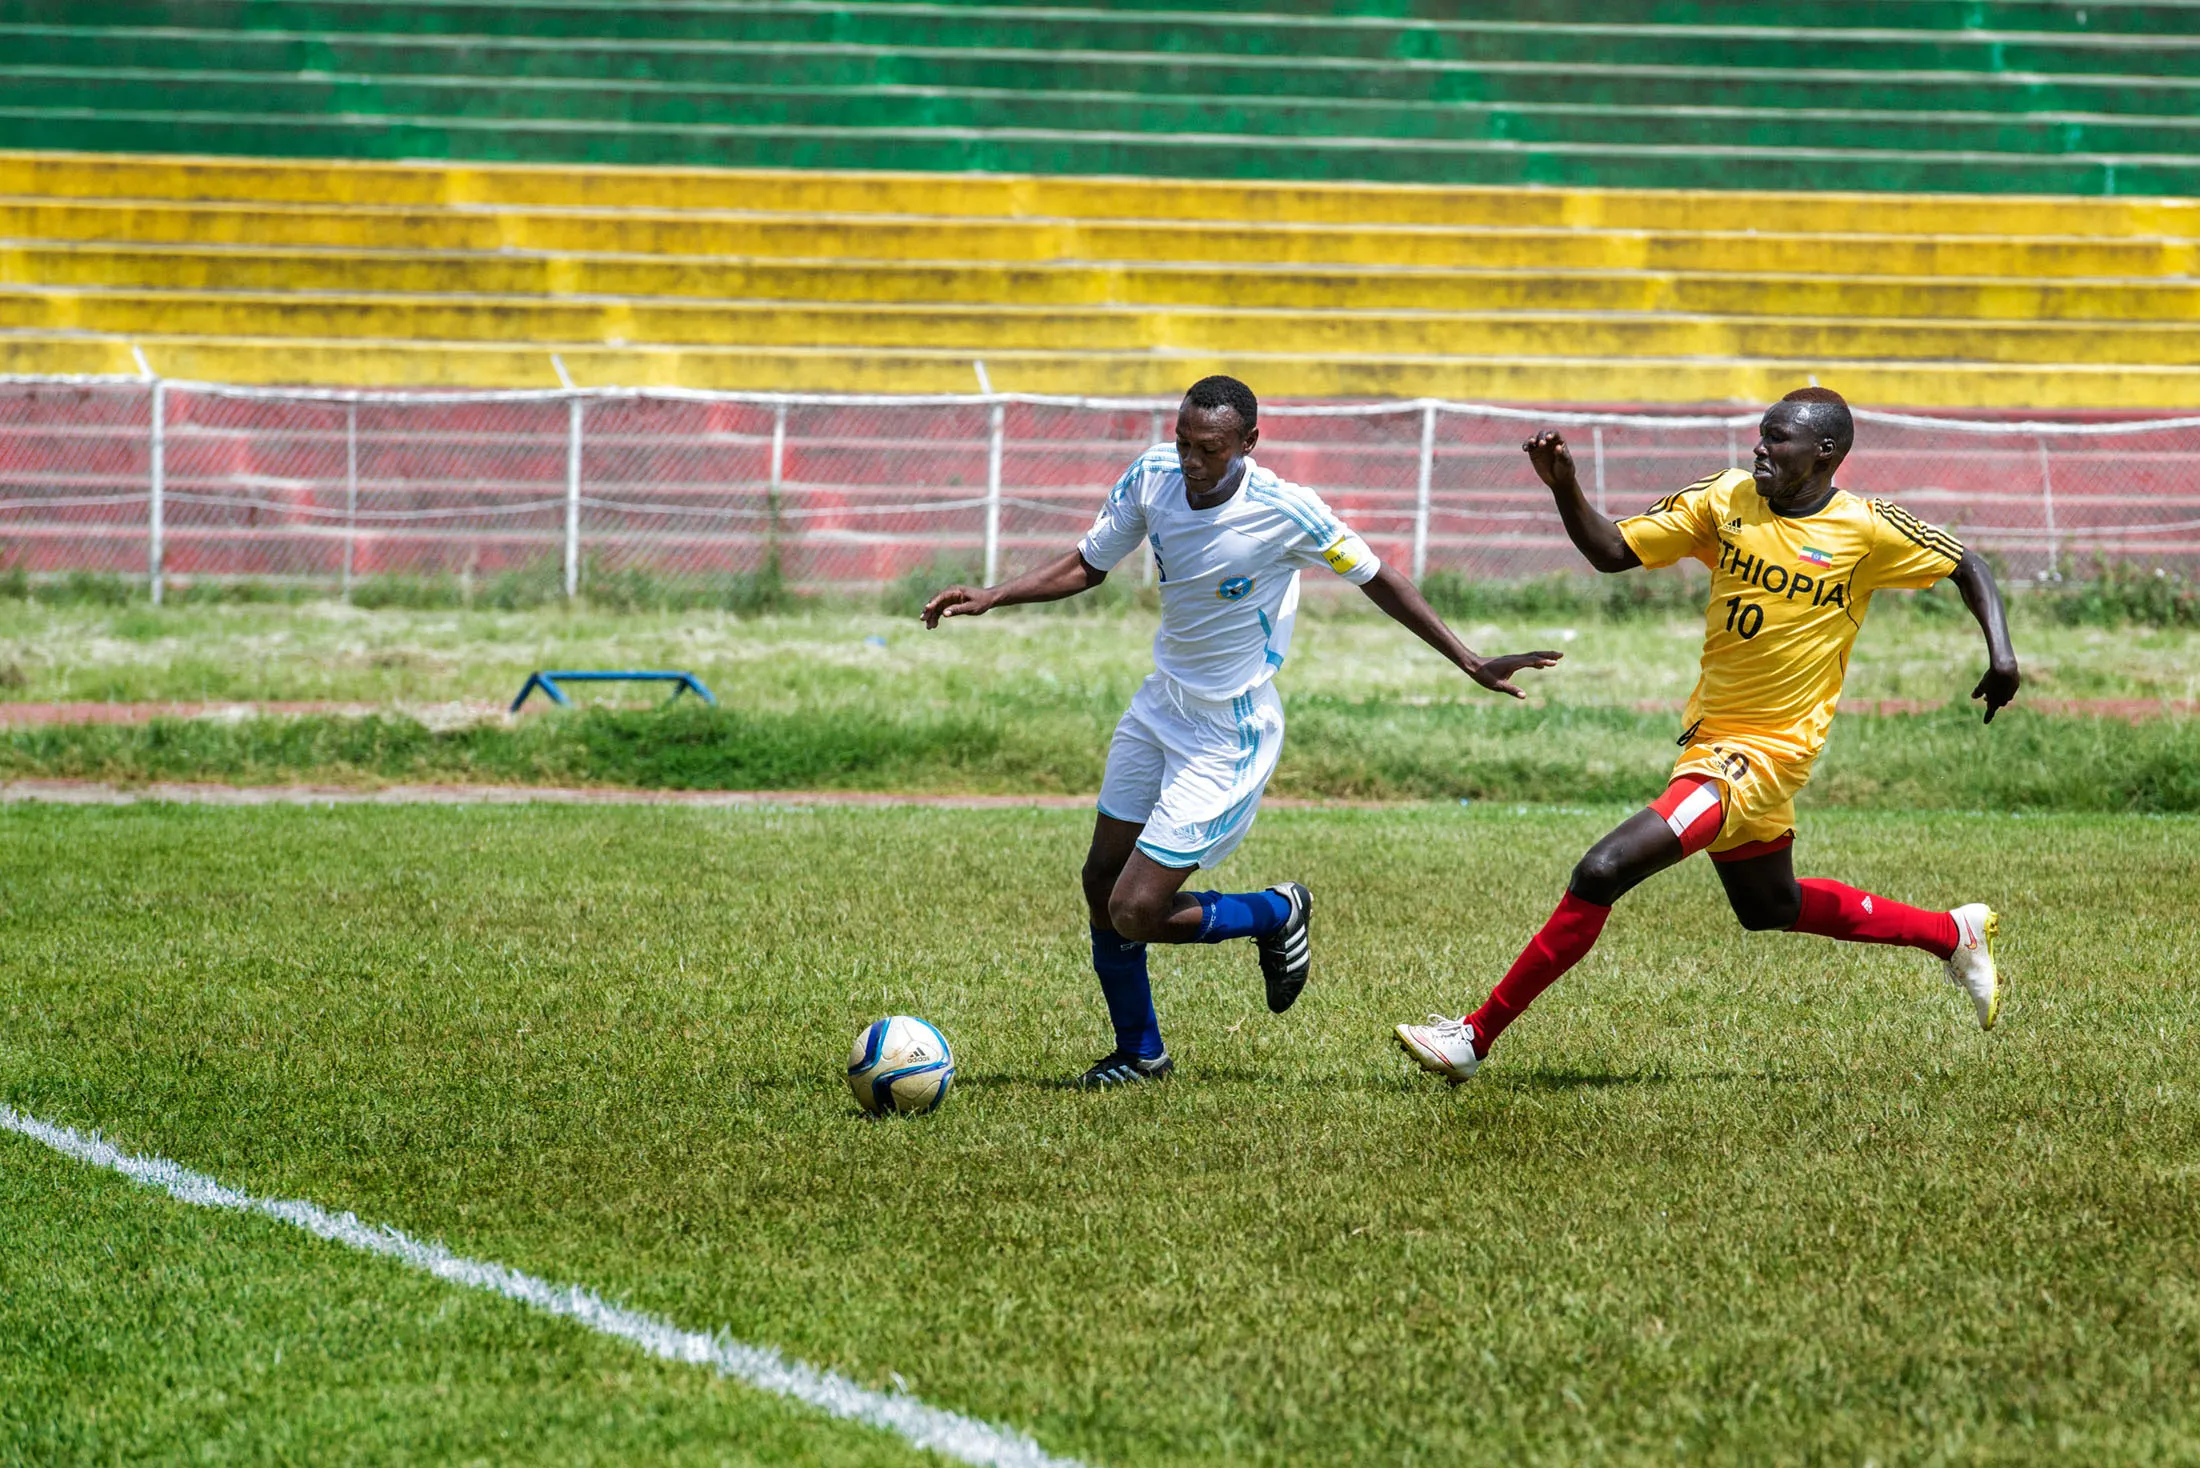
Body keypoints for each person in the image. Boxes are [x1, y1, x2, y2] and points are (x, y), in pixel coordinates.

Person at [924, 375, 1559, 1087]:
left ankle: (1273, 912)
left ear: (1249, 445)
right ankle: (1140, 1055)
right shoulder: (1153, 476)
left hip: (1229, 730)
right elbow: (1088, 563)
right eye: (1184, 442)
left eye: (1210, 449)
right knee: (1100, 881)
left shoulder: (1287, 511)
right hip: (1160, 704)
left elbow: (1379, 579)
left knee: (1134, 909)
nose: (1192, 461)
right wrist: (994, 595)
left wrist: (1468, 658)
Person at [1395, 386, 2021, 1083]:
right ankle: (1951, 933)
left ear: (1826, 453)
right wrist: (1567, 487)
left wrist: (2001, 653)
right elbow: (1612, 551)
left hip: (1765, 755)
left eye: (1776, 438)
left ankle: (1473, 1039)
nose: (1759, 446)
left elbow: (1969, 564)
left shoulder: (1866, 530)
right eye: (1760, 434)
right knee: (1768, 906)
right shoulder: (1723, 499)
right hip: (1711, 738)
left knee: (1602, 870)